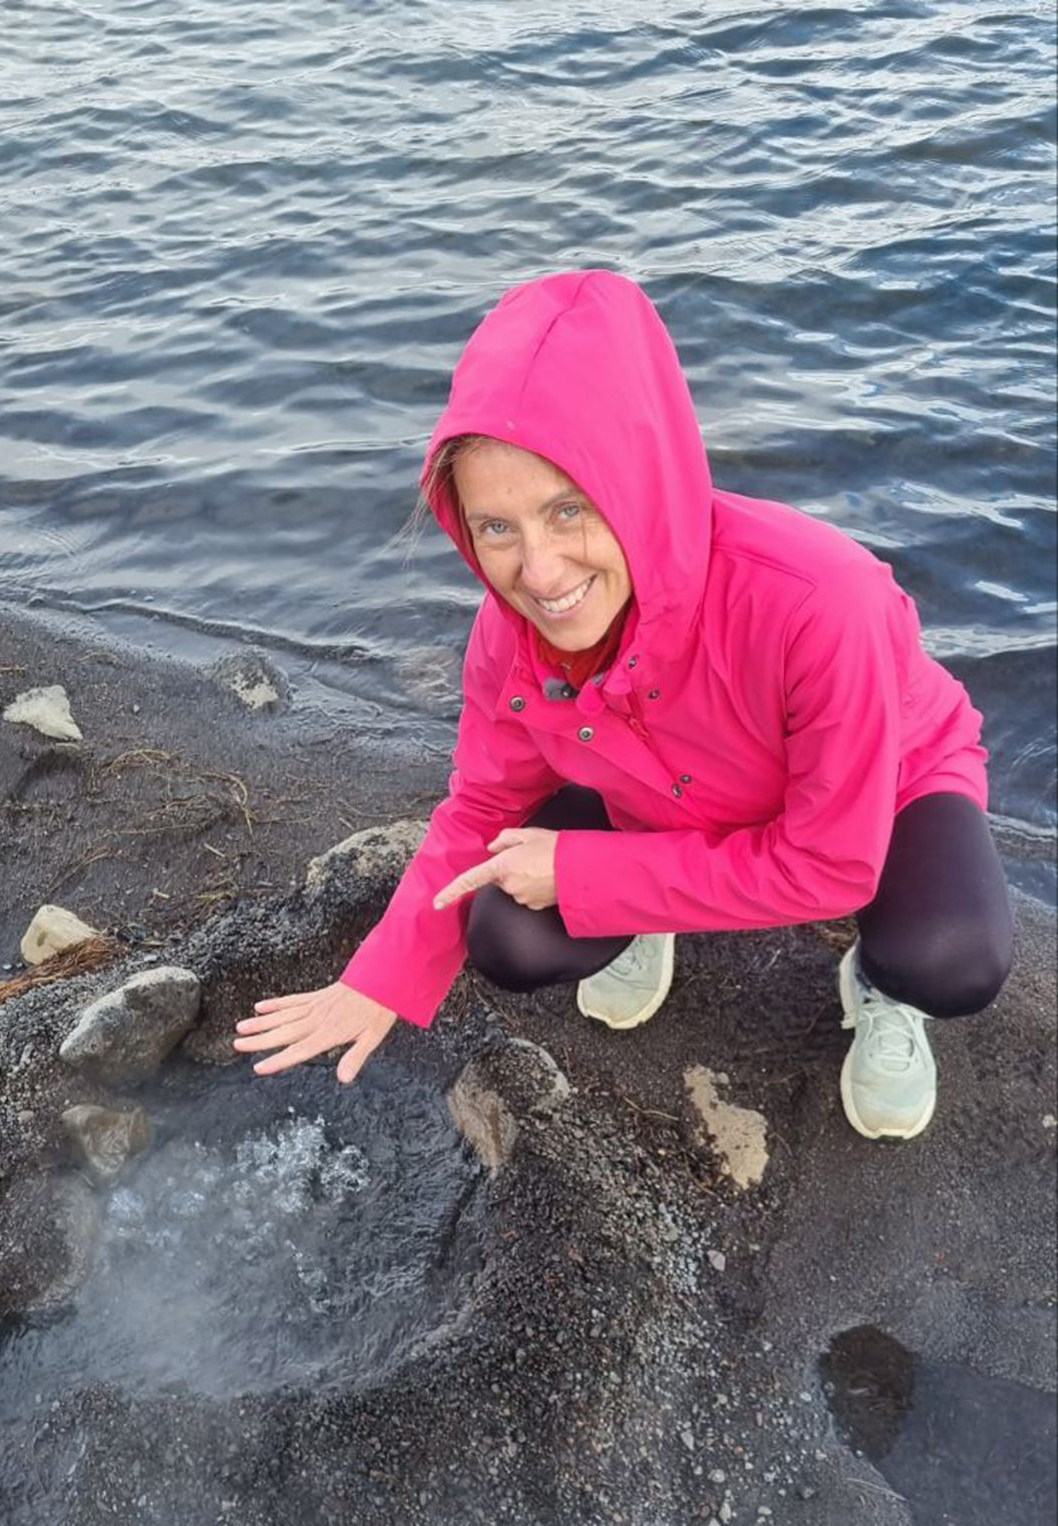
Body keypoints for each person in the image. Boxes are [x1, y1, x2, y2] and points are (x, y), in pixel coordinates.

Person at [233, 269, 1014, 1142]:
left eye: (569, 509)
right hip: (661, 807)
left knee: (951, 958)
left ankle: (876, 989)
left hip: (882, 791)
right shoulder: (510, 637)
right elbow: (484, 807)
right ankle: (653, 911)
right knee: (509, 935)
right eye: (497, 527)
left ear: (642, 480)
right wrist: (380, 975)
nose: (540, 572)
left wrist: (588, 877)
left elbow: (829, 867)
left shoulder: (823, 602)